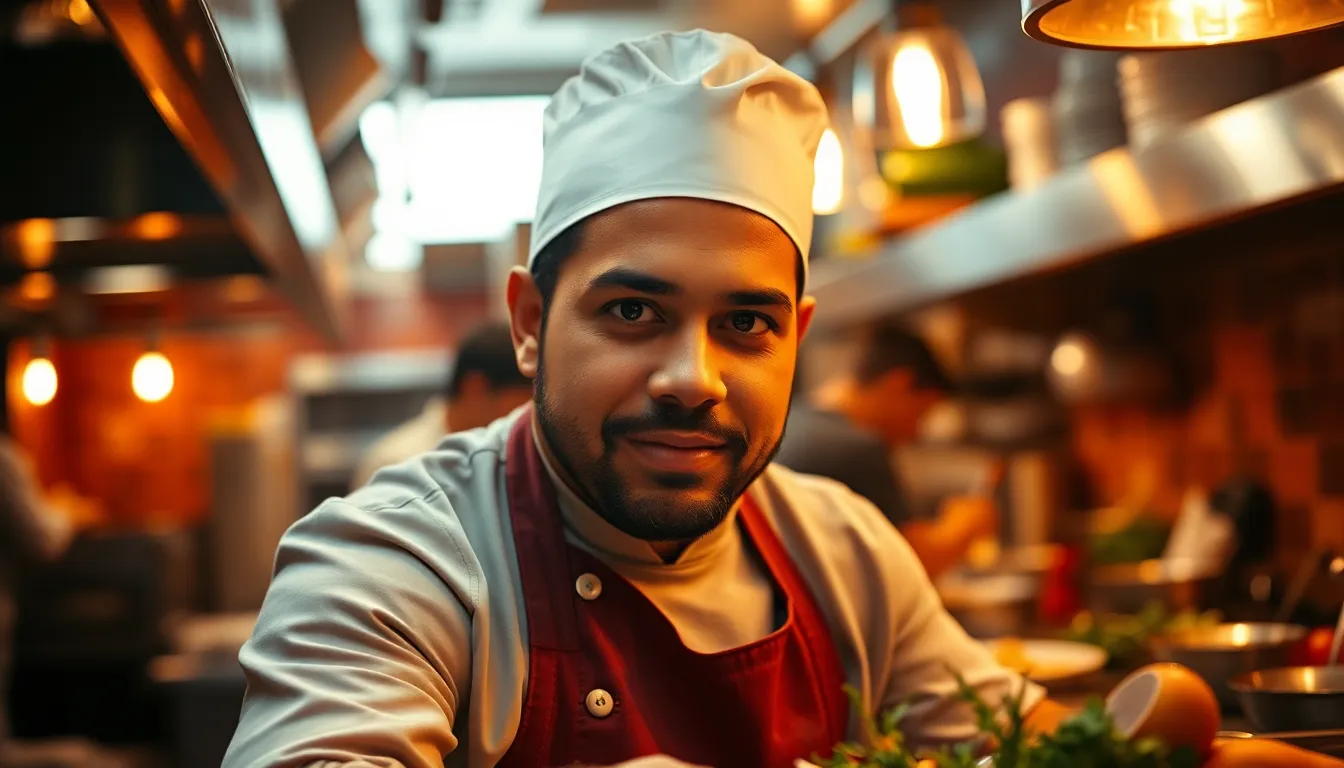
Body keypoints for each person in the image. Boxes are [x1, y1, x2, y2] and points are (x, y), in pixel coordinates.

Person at [224, 30, 1071, 768]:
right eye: (633, 312)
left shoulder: (846, 554)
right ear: (530, 323)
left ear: (798, 339)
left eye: (746, 322)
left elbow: (1020, 740)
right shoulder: (397, 563)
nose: (693, 379)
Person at [777, 324, 999, 579]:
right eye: (922, 414)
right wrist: (966, 526)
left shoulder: (795, 420)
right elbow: (914, 567)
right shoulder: (857, 448)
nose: (916, 433)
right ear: (898, 384)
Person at [350, 321, 532, 489]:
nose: (527, 414)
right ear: (476, 388)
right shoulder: (394, 464)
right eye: (524, 400)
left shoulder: (509, 460)